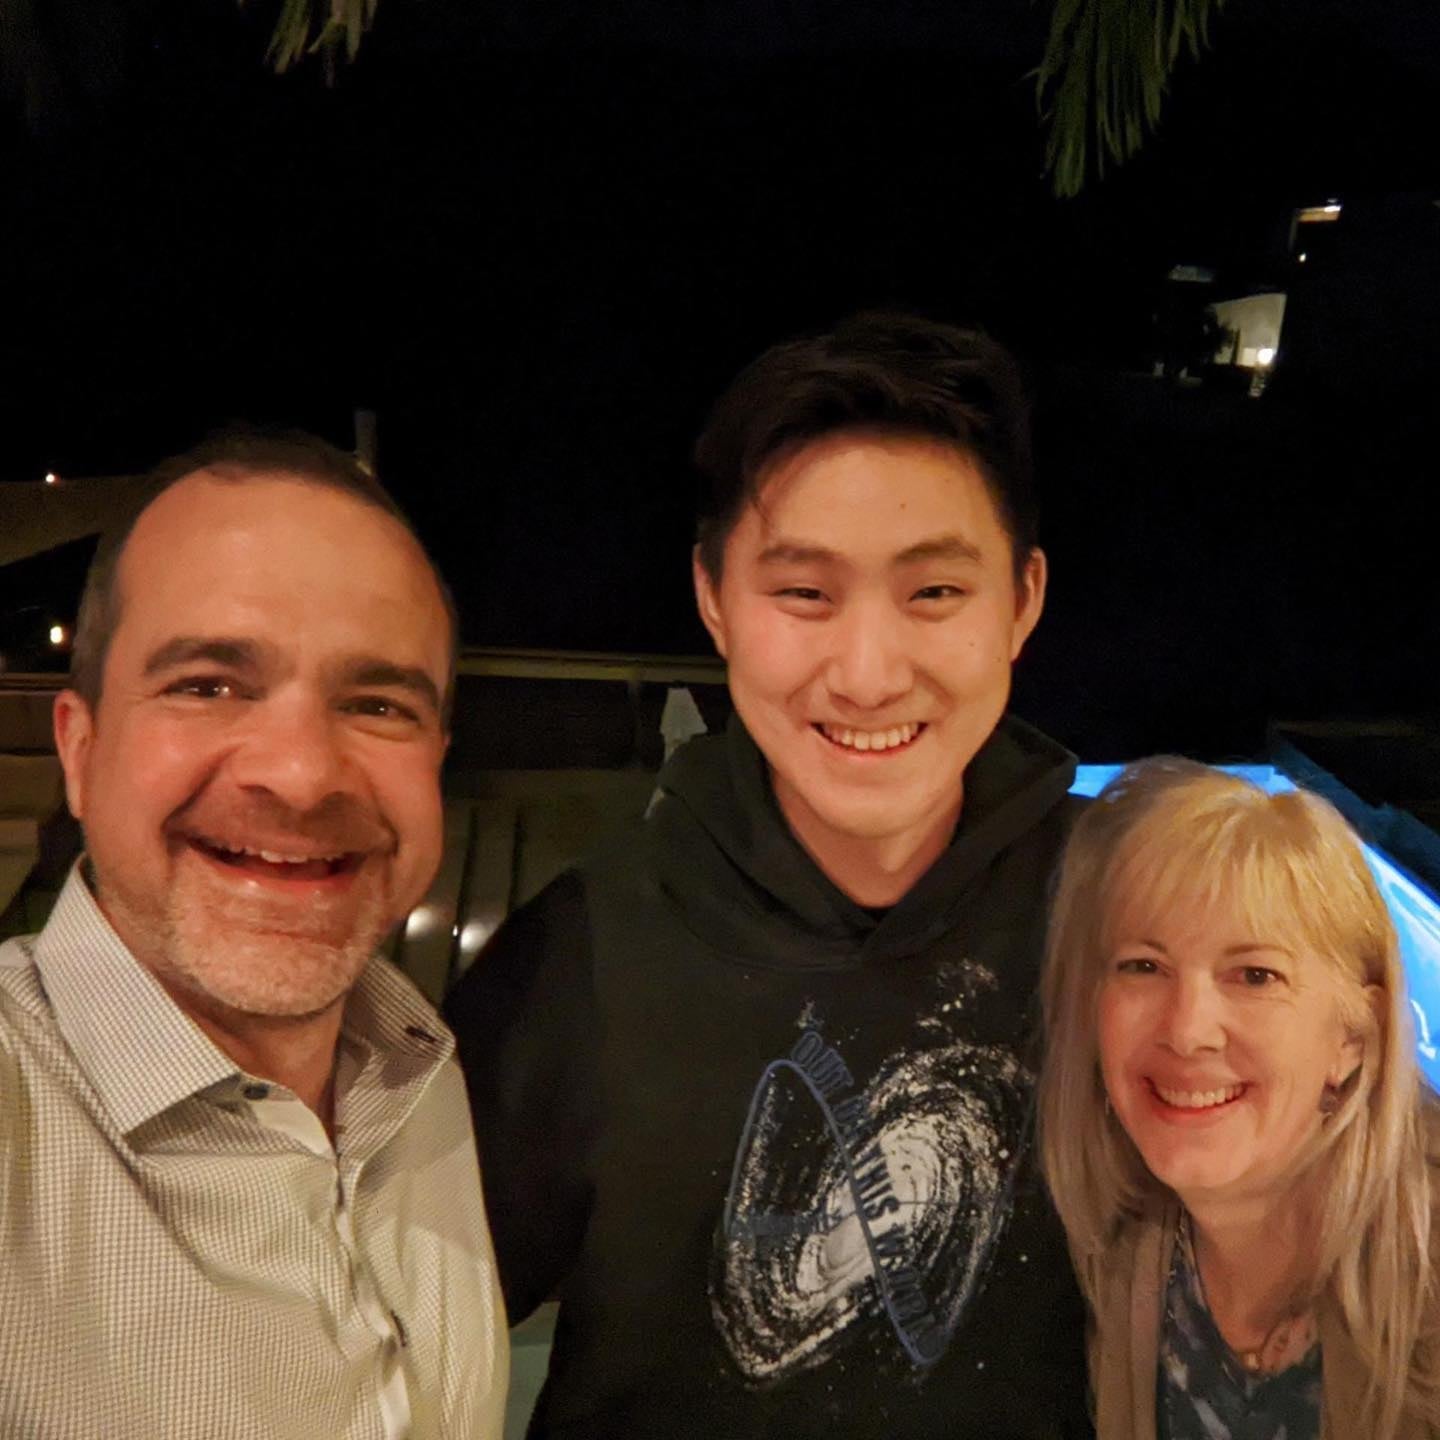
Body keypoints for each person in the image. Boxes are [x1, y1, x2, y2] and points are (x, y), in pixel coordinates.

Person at [446, 312, 1093, 1437]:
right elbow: (390, 1344)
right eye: (803, 594)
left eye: (935, 594)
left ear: (1023, 603)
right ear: (714, 600)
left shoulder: (1122, 920)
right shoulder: (579, 953)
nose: (869, 674)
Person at [0, 431, 508, 1439]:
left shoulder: (422, 1076)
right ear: (80, 748)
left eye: (377, 704)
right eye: (207, 685)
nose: (302, 773)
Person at [1038, 758, 1440, 1440]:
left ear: (1354, 1035)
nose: (1187, 1030)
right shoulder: (1127, 1254)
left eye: (1255, 975)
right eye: (1144, 966)